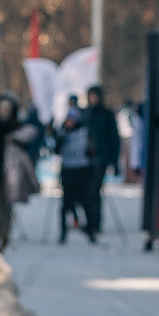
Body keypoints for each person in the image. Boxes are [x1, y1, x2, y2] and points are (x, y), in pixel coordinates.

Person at [0, 95, 37, 251]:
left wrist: (13, 137)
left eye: (7, 109)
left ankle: (3, 235)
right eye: (2, 109)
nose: (4, 112)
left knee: (6, 206)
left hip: (11, 173)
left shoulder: (16, 127)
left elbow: (32, 132)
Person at [54, 104, 99, 243]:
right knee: (66, 204)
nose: (70, 123)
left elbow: (92, 150)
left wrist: (92, 152)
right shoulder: (62, 133)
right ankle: (63, 233)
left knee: (86, 203)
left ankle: (91, 231)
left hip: (82, 171)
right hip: (68, 171)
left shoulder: (85, 131)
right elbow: (56, 150)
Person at [83, 86, 121, 186]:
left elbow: (113, 137)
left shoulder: (106, 114)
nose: (93, 99)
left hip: (101, 156)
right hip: (84, 157)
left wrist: (114, 159)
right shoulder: (84, 113)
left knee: (94, 188)